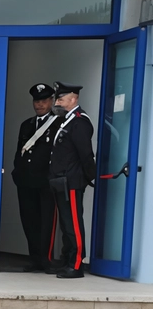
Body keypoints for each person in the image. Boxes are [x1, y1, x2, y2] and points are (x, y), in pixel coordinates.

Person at [48, 82, 96, 279]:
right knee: (66, 224)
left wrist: (89, 176)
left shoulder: (79, 122)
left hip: (72, 182)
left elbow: (86, 154)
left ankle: (76, 265)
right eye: (57, 98)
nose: (58, 102)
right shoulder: (66, 121)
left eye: (61, 98)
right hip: (61, 181)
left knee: (74, 223)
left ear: (74, 99)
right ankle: (68, 260)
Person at [12, 83, 58, 272]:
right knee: (29, 220)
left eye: (44, 101)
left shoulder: (58, 123)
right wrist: (17, 172)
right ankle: (35, 258)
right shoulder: (27, 125)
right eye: (37, 101)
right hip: (26, 181)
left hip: (45, 182)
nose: (39, 105)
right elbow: (20, 152)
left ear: (51, 101)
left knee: (46, 221)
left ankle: (46, 259)